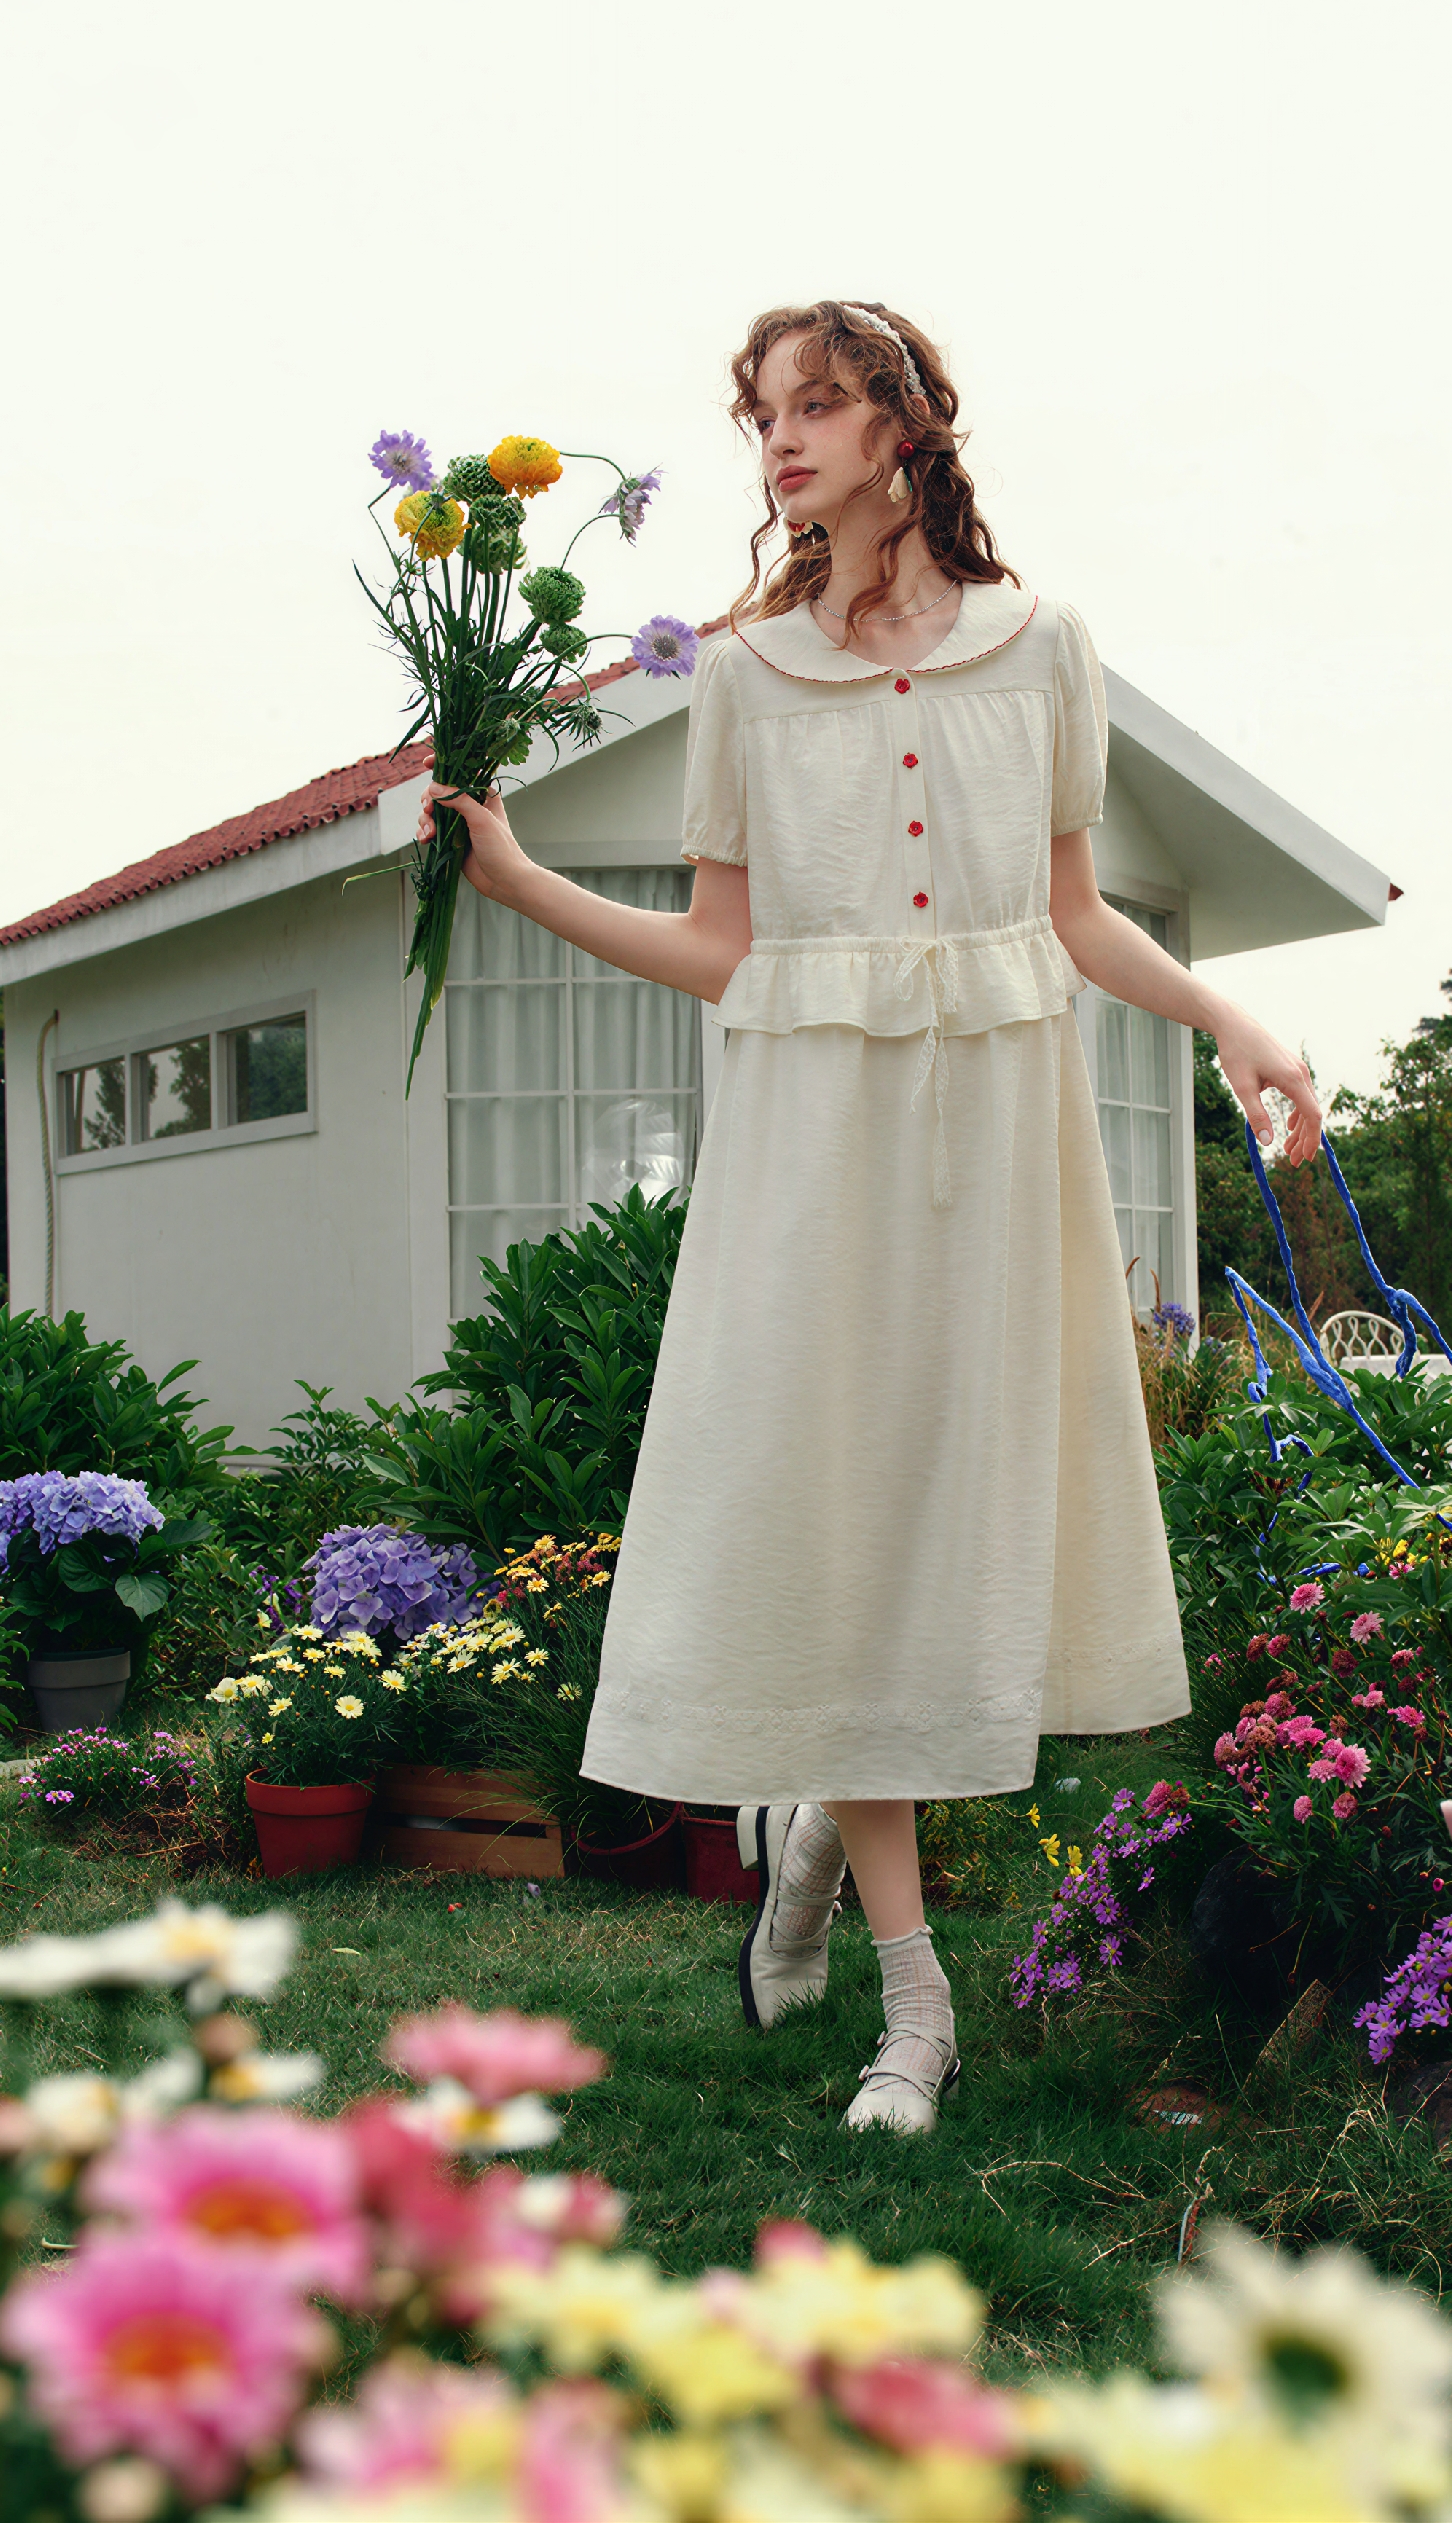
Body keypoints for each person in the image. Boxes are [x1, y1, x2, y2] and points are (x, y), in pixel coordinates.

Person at [418, 299, 1323, 2136]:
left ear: (906, 423)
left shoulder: (1042, 646)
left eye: (818, 404)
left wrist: (1233, 1014)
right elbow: (722, 949)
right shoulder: (743, 676)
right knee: (836, 1521)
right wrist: (514, 879)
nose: (782, 441)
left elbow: (1074, 917)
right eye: (763, 414)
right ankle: (920, 2007)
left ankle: (817, 1820)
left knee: (952, 1520)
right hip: (809, 1141)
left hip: (996, 1131)